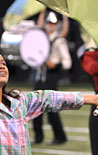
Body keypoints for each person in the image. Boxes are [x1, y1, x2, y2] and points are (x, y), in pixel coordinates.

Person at [32, 11, 72, 145]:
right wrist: (42, 10)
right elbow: (38, 28)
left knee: (52, 109)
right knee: (35, 106)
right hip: (40, 76)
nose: (51, 26)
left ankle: (60, 136)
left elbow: (68, 62)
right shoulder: (41, 39)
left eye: (53, 23)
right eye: (49, 23)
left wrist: (55, 65)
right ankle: (38, 136)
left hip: (51, 77)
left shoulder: (59, 41)